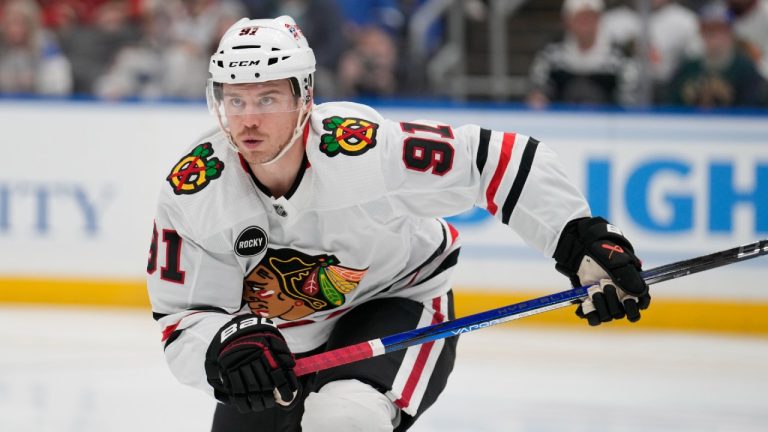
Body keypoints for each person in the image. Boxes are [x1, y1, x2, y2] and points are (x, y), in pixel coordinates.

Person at [147, 15, 651, 432]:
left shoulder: (362, 149)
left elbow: (493, 159)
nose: (248, 120)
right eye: (235, 100)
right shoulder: (195, 189)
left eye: (267, 99)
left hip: (396, 302)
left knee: (344, 418)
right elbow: (181, 318)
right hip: (278, 341)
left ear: (305, 98)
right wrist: (224, 345)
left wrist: (580, 239)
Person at [527, 0, 639, 108]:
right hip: (560, 119)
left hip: (607, 119)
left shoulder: (619, 58)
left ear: (599, 20)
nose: (585, 24)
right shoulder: (551, 54)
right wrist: (538, 97)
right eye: (580, 18)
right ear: (567, 20)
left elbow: (630, 99)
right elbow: (538, 86)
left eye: (590, 17)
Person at [666, 1, 768, 107]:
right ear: (701, 34)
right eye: (709, 31)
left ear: (730, 33)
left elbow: (753, 108)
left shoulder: (746, 70)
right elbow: (672, 104)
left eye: (719, 31)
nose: (714, 38)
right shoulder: (687, 69)